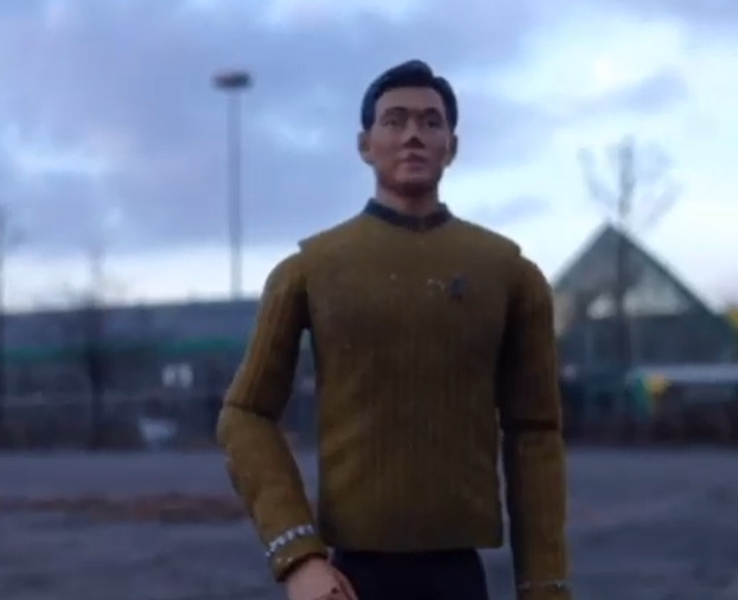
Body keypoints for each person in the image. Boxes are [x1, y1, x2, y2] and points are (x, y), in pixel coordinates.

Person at [217, 59, 571, 600]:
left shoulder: (507, 274)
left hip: (458, 574)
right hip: (351, 577)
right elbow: (245, 414)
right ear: (365, 144)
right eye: (395, 120)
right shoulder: (311, 270)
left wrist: (545, 584)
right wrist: (297, 555)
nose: (413, 135)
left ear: (452, 146)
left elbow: (535, 432)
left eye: (431, 122)